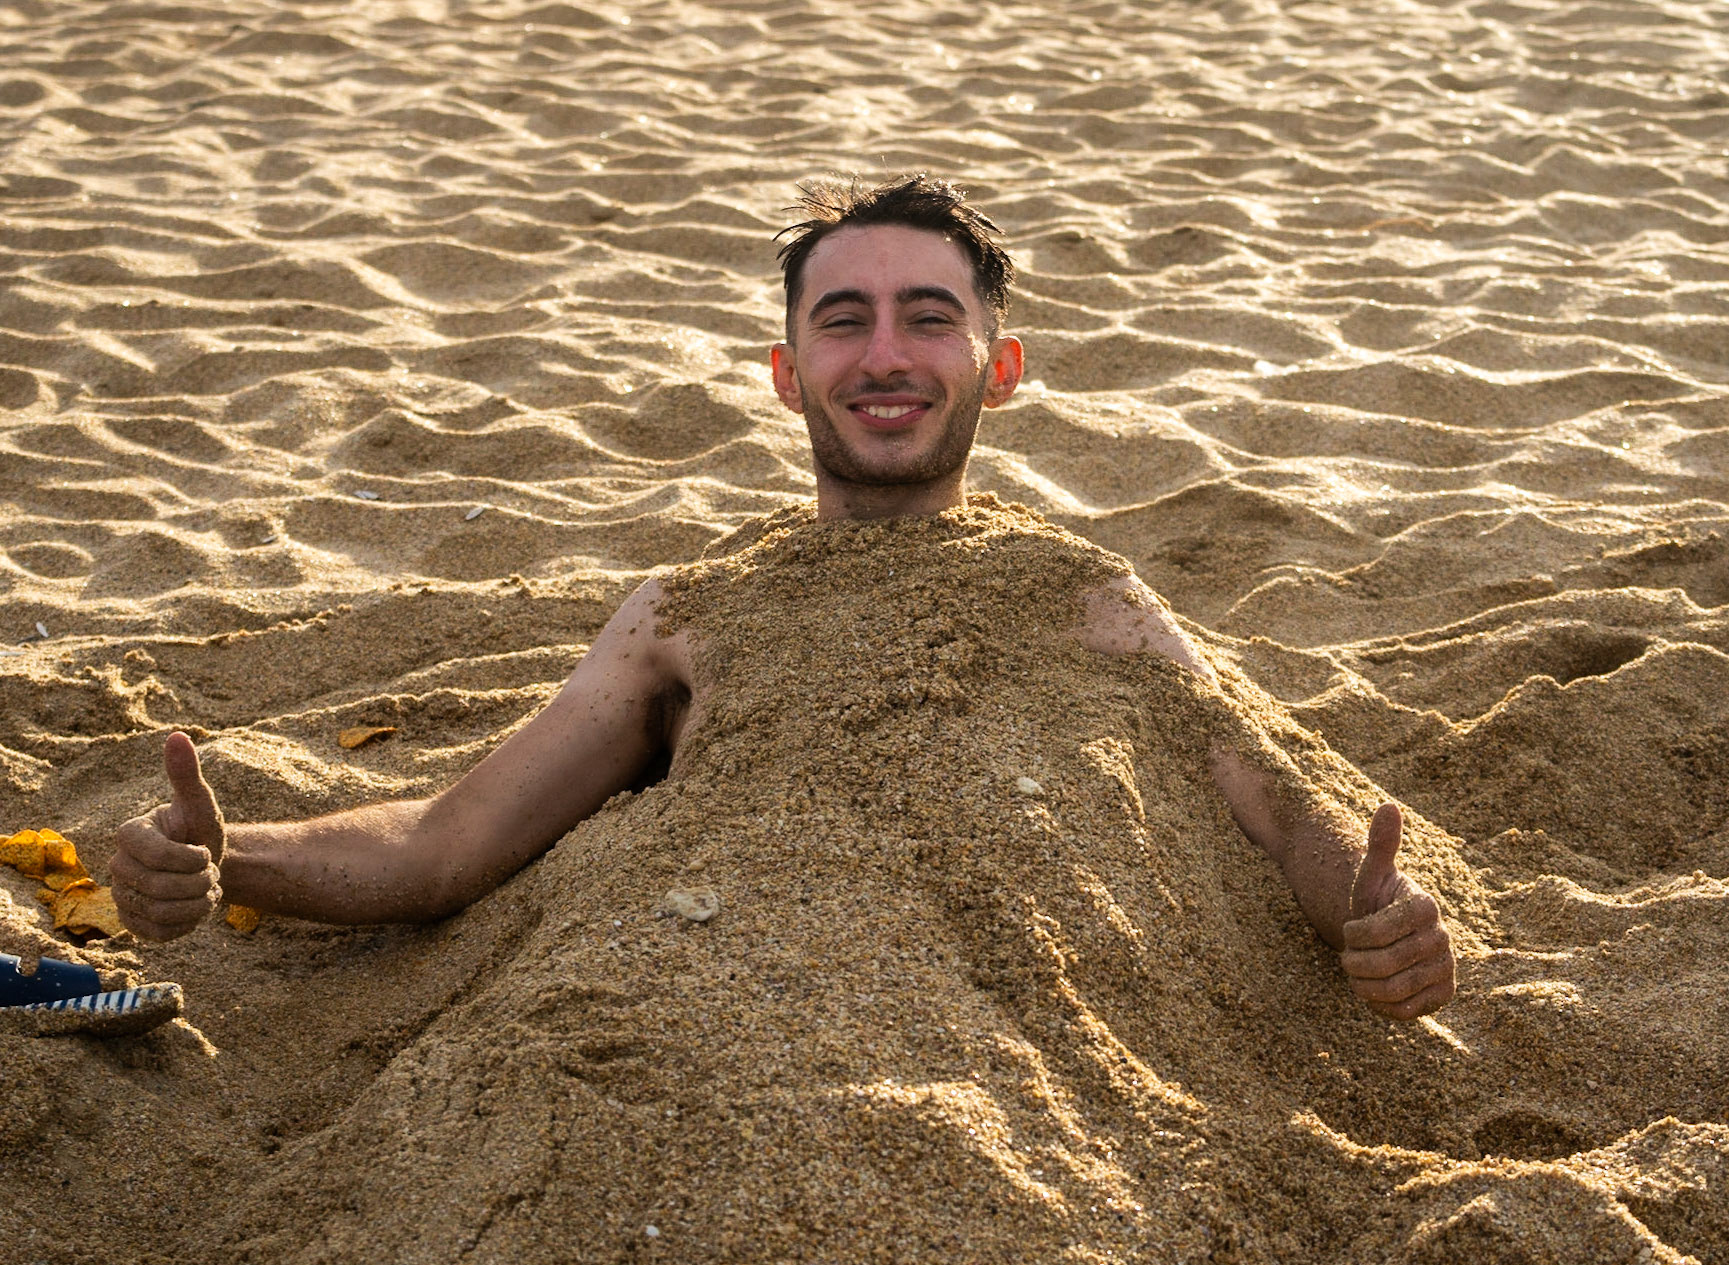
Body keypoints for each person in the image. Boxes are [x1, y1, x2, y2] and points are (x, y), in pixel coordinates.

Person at [109, 173, 1455, 1022]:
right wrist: (232, 858)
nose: (885, 356)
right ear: (781, 367)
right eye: (843, 320)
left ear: (1000, 365)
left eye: (930, 318)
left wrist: (1373, 920)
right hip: (695, 1045)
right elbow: (445, 844)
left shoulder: (1081, 597)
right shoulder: (685, 616)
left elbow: (1283, 811)